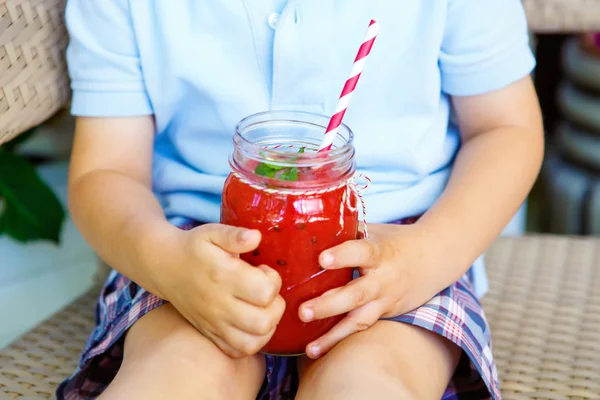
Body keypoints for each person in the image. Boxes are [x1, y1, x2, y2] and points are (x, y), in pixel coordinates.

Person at [58, 1, 543, 399]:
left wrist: (430, 253)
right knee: (175, 374)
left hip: (398, 252)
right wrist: (163, 260)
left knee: (369, 383)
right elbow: (107, 171)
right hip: (191, 248)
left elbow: (507, 130)